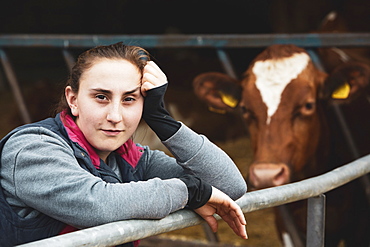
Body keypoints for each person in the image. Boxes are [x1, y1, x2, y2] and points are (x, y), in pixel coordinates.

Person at [0, 42, 248, 246]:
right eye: (101, 97)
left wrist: (161, 120)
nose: (115, 116)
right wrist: (191, 191)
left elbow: (230, 186)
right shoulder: (32, 149)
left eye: (129, 99)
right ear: (73, 99)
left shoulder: (133, 158)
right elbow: (98, 204)